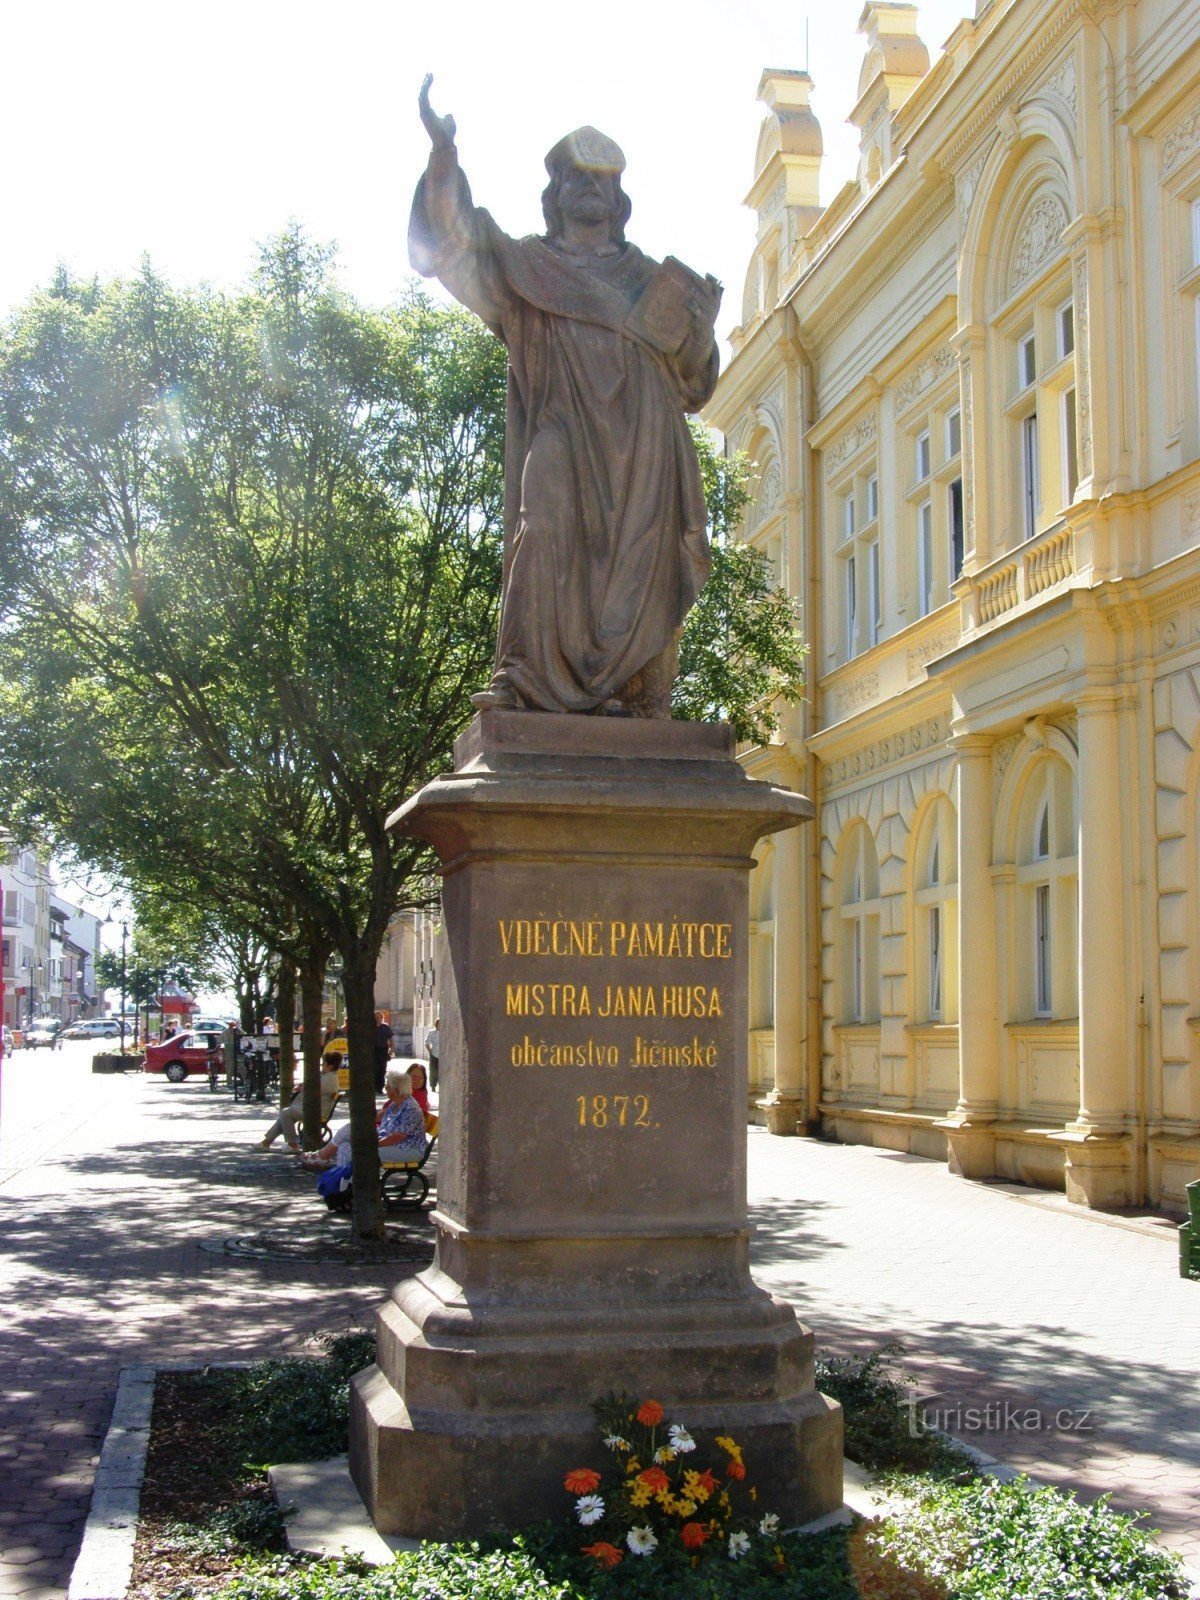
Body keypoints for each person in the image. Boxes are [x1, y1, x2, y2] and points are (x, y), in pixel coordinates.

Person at [411, 78, 721, 718]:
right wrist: (445, 155)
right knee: (543, 522)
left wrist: (703, 329)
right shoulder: (526, 265)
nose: (590, 187)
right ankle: (523, 678)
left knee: (644, 567)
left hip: (645, 447)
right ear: (555, 194)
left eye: (601, 179)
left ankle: (638, 694)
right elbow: (450, 244)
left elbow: (691, 381)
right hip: (562, 427)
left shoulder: (650, 279)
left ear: (618, 197)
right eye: (577, 177)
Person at [302, 1067, 427, 1171]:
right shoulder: (396, 1103)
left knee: (356, 1151)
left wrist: (372, 1144)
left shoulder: (410, 1108)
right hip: (395, 1144)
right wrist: (362, 1126)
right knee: (345, 1146)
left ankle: (325, 1159)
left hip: (408, 1149)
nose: (385, 1089)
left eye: (387, 1087)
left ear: (396, 1089)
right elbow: (377, 1117)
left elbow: (398, 1136)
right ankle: (342, 1185)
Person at [258, 1050, 341, 1152]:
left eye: (323, 1063)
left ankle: (292, 1144)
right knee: (285, 1114)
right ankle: (266, 1142)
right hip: (311, 1108)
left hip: (314, 1111)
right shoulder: (327, 1076)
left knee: (285, 1113)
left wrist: (302, 1088)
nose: (321, 1066)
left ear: (330, 1066)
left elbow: (313, 1091)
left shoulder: (329, 1079)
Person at [374, 1011, 393, 1095]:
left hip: (383, 1050)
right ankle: (374, 1087)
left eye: (379, 1017)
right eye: (376, 1017)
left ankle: (379, 1088)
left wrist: (391, 1049)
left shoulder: (385, 1027)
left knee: (382, 1070)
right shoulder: (370, 1027)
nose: (377, 1019)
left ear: (382, 1018)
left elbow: (390, 1038)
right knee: (374, 1069)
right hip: (372, 1050)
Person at [425, 1017, 440, 1092]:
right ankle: (433, 1085)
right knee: (433, 1070)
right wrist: (429, 1050)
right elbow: (426, 1042)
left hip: (443, 1055)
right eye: (438, 1024)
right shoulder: (432, 1032)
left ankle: (441, 1083)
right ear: (436, 1024)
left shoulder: (446, 1032)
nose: (439, 1025)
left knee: (441, 1070)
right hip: (434, 1054)